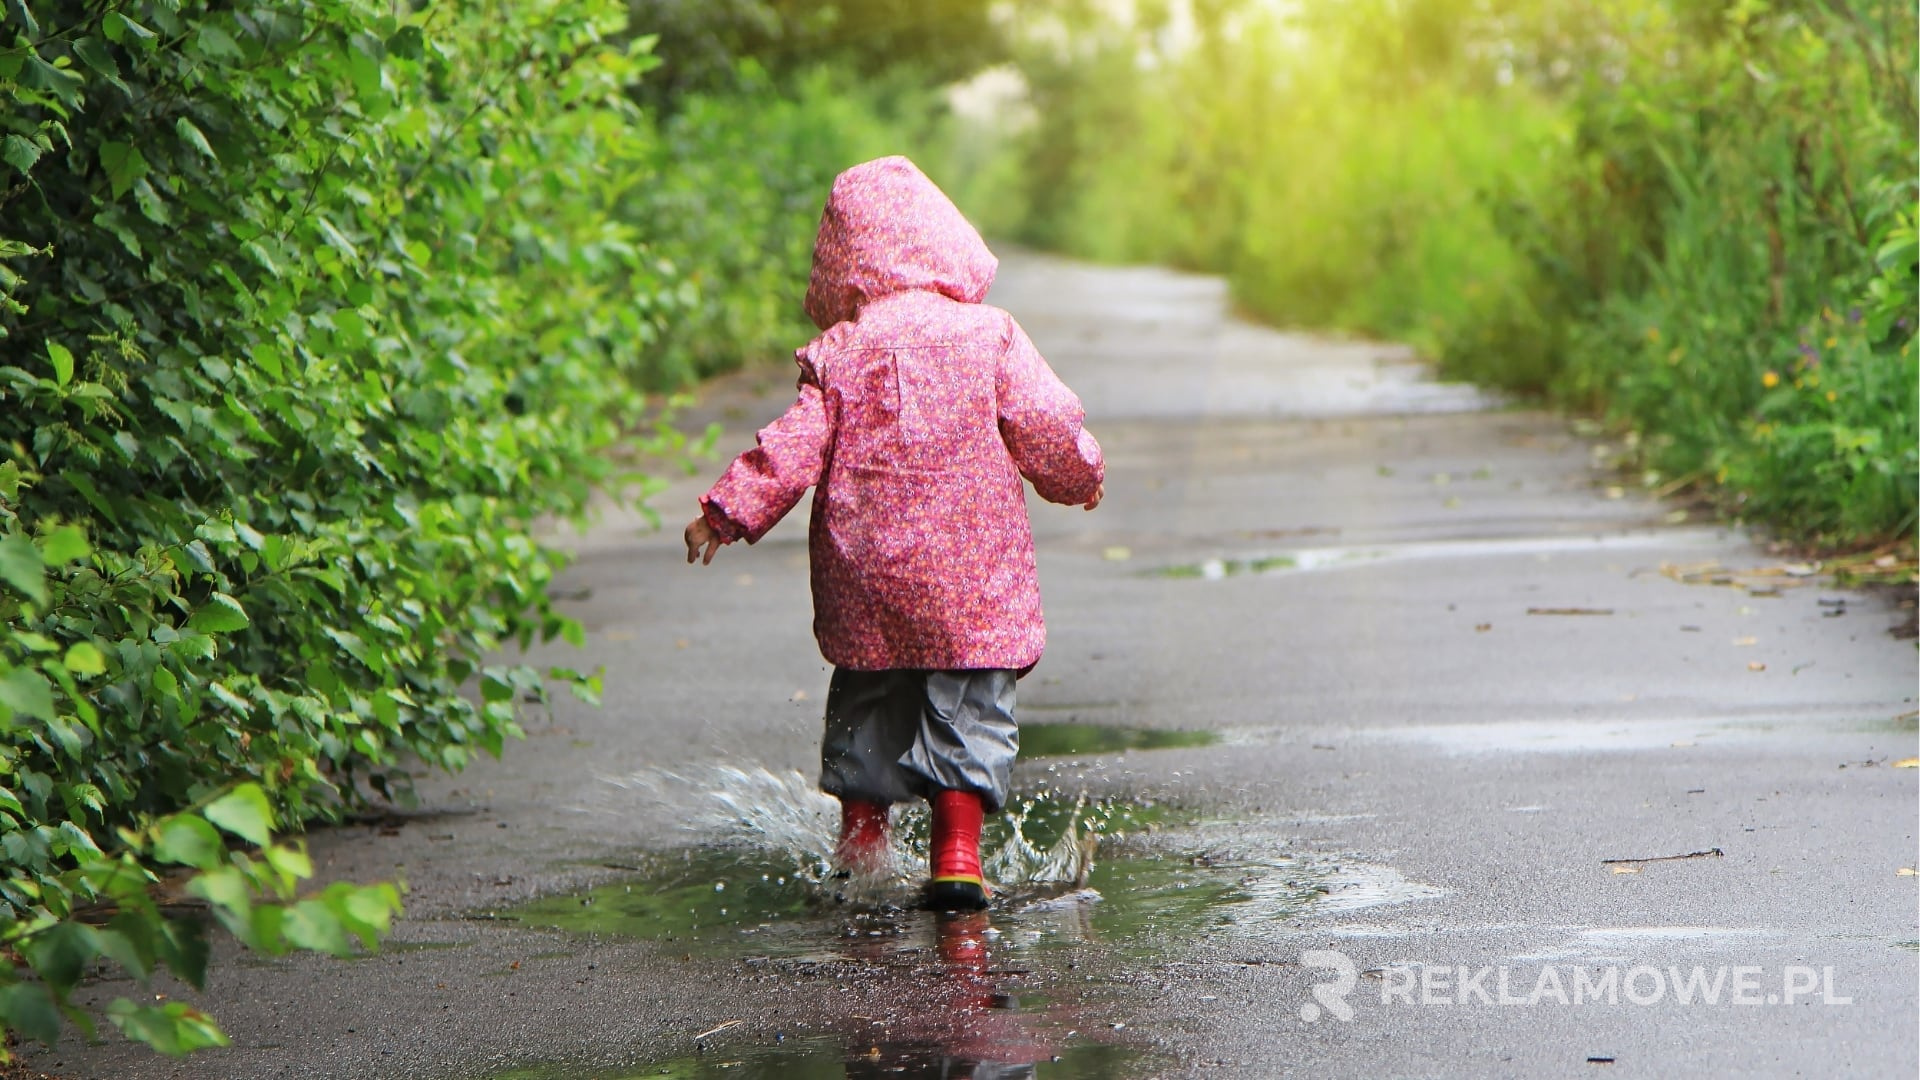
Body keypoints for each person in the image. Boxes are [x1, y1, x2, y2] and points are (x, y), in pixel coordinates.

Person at [683, 156, 1104, 911]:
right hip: (970, 574)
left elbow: (791, 447)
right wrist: (1078, 475)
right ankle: (957, 853)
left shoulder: (840, 352)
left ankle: (862, 845)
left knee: (868, 691)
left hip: (867, 570)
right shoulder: (991, 336)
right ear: (948, 240)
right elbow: (1045, 423)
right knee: (970, 694)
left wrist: (727, 511)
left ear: (843, 259)